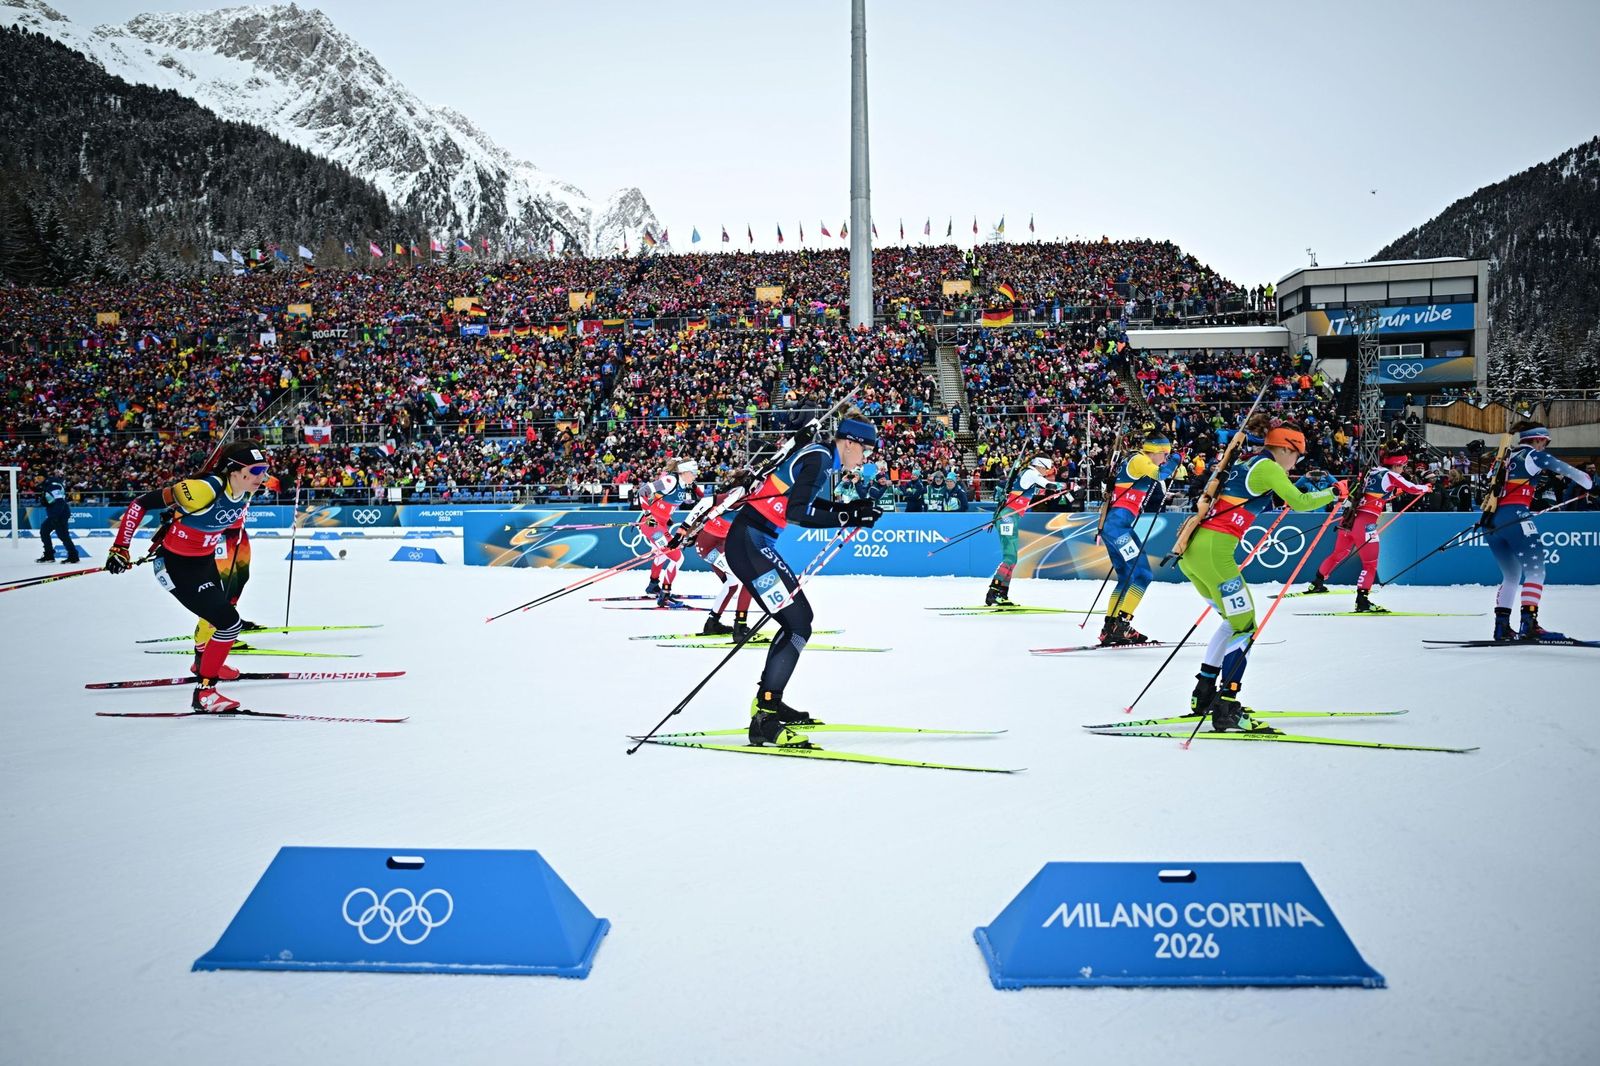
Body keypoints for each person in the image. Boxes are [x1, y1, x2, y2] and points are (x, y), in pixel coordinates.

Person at [726, 413, 882, 747]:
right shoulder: (822, 458)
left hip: (753, 542)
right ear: (850, 442)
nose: (865, 458)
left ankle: (768, 700)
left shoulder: (821, 458)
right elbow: (798, 513)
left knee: (797, 621)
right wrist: (848, 513)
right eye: (865, 450)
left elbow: (809, 502)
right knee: (798, 623)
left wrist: (853, 508)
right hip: (750, 543)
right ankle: (764, 718)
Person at [1177, 419, 1341, 732]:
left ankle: (1204, 694)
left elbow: (1264, 495)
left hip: (1194, 553)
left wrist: (1294, 489)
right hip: (1216, 554)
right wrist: (1332, 493)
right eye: (1295, 456)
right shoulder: (1268, 468)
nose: (1295, 463)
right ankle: (1227, 706)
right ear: (1284, 448)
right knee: (1246, 627)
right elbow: (1302, 503)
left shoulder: (1247, 464)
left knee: (1231, 621)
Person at [103, 442, 273, 713]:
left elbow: (271, 481)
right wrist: (120, 548)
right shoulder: (203, 489)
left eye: (265, 469)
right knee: (229, 624)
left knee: (214, 614)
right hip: (176, 566)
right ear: (234, 471)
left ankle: (201, 662)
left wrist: (286, 479)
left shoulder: (245, 486)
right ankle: (205, 692)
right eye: (257, 470)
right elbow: (140, 504)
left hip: (203, 561)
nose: (263, 477)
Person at [1480, 422, 1593, 641]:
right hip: (1516, 517)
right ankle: (1528, 624)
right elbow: (1570, 472)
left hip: (1490, 519)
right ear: (1539, 439)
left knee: (1511, 575)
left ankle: (1502, 628)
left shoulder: (1505, 456)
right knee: (1536, 571)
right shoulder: (1533, 455)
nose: (1545, 446)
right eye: (1545, 442)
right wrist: (1590, 484)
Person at [1304, 446, 1429, 611]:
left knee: (1338, 554)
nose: (1403, 469)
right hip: (1365, 524)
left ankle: (1317, 583)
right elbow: (1413, 488)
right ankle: (1362, 601)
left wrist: (1394, 492)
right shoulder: (1391, 475)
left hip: (1349, 520)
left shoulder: (1373, 471)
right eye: (1403, 466)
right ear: (1397, 465)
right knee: (1370, 564)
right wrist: (1426, 487)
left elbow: (1374, 492)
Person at [1098, 434, 1181, 645]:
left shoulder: (1139, 462)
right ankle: (1121, 625)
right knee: (1143, 574)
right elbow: (1161, 473)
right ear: (1154, 450)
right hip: (1118, 528)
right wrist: (1176, 459)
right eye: (1164, 454)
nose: (1165, 458)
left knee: (1126, 577)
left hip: (1115, 527)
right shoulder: (1140, 460)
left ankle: (1110, 627)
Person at [985, 456, 1063, 607]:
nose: (1046, 472)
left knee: (1012, 559)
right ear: (1040, 465)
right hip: (1008, 517)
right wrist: (1069, 485)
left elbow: (1038, 490)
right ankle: (993, 592)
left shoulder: (1029, 475)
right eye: (1046, 469)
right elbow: (1048, 485)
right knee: (1009, 557)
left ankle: (1002, 593)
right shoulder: (1032, 473)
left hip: (1010, 516)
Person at [685, 488, 755, 639]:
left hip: (716, 545)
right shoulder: (740, 494)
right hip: (710, 547)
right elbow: (705, 503)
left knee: (732, 584)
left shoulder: (745, 494)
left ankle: (712, 623)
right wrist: (684, 531)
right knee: (748, 579)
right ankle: (740, 627)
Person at [637, 458, 704, 606]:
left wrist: (667, 518)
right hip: (651, 524)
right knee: (677, 558)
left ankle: (653, 585)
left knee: (661, 555)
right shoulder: (670, 481)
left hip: (661, 524)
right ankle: (665, 594)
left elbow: (701, 496)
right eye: (693, 473)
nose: (695, 476)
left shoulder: (686, 483)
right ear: (684, 472)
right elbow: (642, 491)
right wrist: (648, 515)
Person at [36, 476, 79, 564]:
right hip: (54, 514)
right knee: (44, 530)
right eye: (36, 477)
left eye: (39, 477)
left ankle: (73, 556)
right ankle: (49, 555)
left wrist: (55, 516)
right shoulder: (47, 485)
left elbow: (59, 501)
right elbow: (52, 500)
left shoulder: (53, 486)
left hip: (60, 514)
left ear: (44, 477)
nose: (37, 479)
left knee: (63, 535)